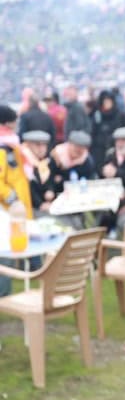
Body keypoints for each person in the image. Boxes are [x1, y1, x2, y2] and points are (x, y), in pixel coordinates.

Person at [0, 105, 35, 296]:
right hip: (7, 211)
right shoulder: (3, 149)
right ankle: (3, 297)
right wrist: (12, 199)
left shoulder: (12, 146)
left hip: (16, 208)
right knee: (4, 255)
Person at [90, 90, 125, 177]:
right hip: (99, 149)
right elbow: (93, 132)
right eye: (105, 102)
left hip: (115, 148)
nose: (107, 104)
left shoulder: (119, 115)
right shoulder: (97, 115)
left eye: (109, 101)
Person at [48, 130, 96, 195]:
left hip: (79, 192)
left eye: (81, 148)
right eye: (75, 147)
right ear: (69, 144)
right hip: (57, 192)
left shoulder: (86, 161)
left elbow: (89, 179)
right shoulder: (56, 156)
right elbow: (48, 177)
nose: (78, 150)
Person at [21, 130, 55, 215]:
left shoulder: (45, 161)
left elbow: (50, 179)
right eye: (38, 145)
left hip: (45, 204)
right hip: (28, 207)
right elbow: (28, 187)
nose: (42, 149)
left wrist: (50, 190)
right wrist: (40, 204)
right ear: (28, 145)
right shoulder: (24, 161)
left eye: (44, 145)